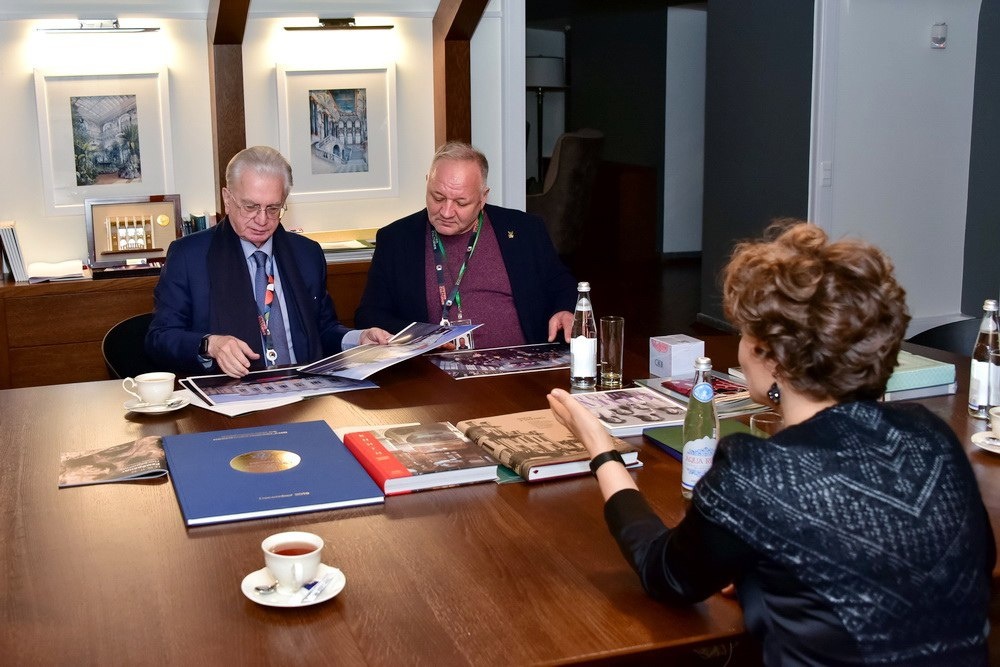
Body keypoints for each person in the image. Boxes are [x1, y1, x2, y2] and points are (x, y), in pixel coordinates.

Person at [547, 221, 995, 666]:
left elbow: (664, 574)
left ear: (769, 356)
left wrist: (603, 449)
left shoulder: (757, 474)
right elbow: (957, 562)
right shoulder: (931, 437)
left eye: (744, 332)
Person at [146, 146, 390, 378]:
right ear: (227, 199)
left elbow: (322, 330)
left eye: (273, 208)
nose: (262, 220)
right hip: (231, 398)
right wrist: (210, 344)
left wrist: (357, 339)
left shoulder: (306, 254)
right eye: (250, 206)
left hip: (304, 392)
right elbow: (159, 338)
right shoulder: (189, 256)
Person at [354, 141, 578, 349]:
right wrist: (423, 338)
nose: (447, 212)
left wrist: (566, 309)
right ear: (427, 183)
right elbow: (369, 315)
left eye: (461, 202)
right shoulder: (397, 239)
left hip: (519, 368)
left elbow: (561, 284)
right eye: (438, 197)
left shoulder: (525, 230)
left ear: (483, 198)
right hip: (433, 374)